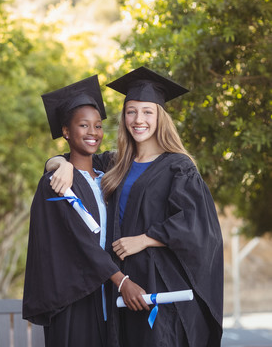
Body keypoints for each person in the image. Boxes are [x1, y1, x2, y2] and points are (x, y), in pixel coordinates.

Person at [47, 67, 224, 346]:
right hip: (122, 285)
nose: (138, 119)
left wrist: (144, 239)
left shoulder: (178, 166)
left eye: (147, 112)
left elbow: (198, 225)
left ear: (160, 118)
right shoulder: (116, 163)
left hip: (160, 284)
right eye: (131, 111)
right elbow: (73, 156)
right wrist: (61, 165)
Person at [22, 75, 149, 347]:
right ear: (66, 131)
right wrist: (122, 280)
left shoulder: (107, 178)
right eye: (83, 125)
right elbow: (78, 241)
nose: (93, 132)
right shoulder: (55, 184)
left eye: (98, 126)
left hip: (107, 296)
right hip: (73, 297)